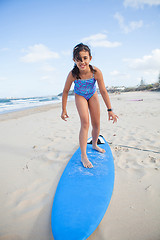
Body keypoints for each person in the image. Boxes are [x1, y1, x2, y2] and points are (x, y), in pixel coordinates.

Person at [61, 43, 118, 168]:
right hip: (80, 96)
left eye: (85, 58)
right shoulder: (73, 74)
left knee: (96, 124)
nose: (82, 62)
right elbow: (65, 91)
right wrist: (64, 109)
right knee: (85, 123)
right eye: (78, 59)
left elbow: (103, 91)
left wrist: (110, 110)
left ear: (90, 58)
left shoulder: (95, 72)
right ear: (74, 60)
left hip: (92, 95)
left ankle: (94, 144)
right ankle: (83, 155)